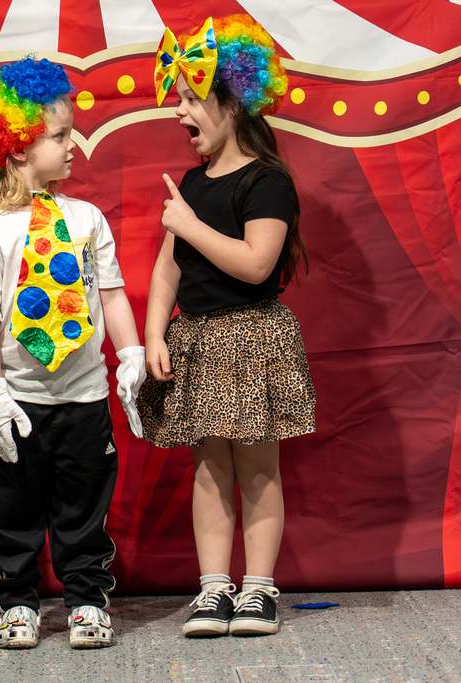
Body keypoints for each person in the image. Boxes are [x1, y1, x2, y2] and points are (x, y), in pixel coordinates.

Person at [0, 56, 147, 650]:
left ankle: (87, 597)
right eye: (60, 135)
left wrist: (132, 353)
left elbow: (110, 294)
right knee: (13, 509)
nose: (73, 145)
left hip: (84, 394)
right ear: (16, 147)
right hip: (20, 400)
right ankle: (17, 599)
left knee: (84, 504)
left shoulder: (87, 218)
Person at [138, 15, 316, 638]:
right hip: (200, 341)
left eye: (190, 99)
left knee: (257, 467)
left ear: (233, 100)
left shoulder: (268, 182)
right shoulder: (189, 183)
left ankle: (259, 590)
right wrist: (155, 334)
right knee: (210, 468)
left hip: (252, 338)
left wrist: (189, 227)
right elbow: (167, 271)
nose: (179, 112)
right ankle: (215, 590)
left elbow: (257, 261)